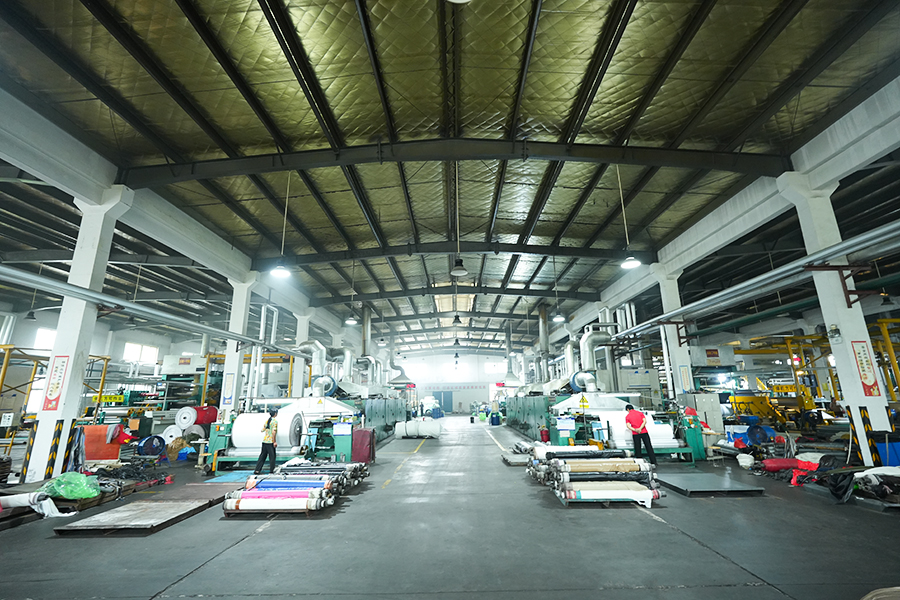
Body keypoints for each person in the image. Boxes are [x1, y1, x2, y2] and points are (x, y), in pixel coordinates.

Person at [254, 408, 278, 475]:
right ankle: (271, 471)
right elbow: (273, 432)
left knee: (262, 456)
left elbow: (262, 430)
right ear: (275, 414)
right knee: (272, 457)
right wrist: (274, 441)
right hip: (270, 442)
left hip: (265, 441)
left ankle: (257, 470)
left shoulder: (267, 421)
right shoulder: (274, 421)